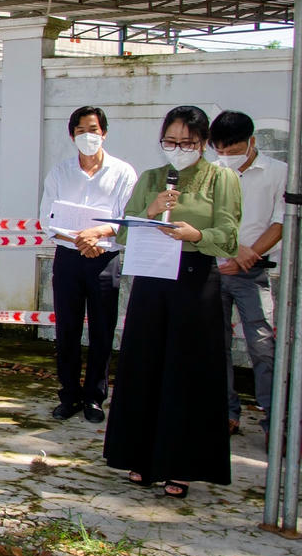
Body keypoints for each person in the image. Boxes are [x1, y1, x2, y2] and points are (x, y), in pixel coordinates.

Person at [104, 106, 241, 499]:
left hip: (195, 280)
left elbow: (228, 236)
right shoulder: (150, 178)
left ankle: (181, 464)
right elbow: (125, 230)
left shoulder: (221, 178)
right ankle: (139, 456)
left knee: (187, 372)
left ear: (204, 143)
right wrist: (150, 210)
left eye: (187, 143)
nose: (178, 149)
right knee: (144, 366)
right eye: (171, 142)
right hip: (152, 279)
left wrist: (195, 234)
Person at [38, 107, 137, 423]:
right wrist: (82, 239)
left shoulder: (123, 173)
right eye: (81, 130)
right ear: (72, 135)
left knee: (102, 330)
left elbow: (126, 217)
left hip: (105, 260)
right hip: (68, 258)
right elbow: (47, 219)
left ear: (104, 132)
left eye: (93, 129)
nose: (87, 136)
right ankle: (68, 394)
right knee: (66, 329)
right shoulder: (59, 173)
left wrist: (97, 234)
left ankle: (95, 397)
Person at [209, 111, 285, 440]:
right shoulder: (210, 173)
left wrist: (245, 255)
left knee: (262, 346)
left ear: (252, 142)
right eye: (220, 151)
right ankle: (227, 413)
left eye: (233, 149)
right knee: (216, 345)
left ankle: (273, 421)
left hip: (254, 272)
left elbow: (281, 222)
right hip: (214, 269)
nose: (226, 157)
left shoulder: (278, 173)